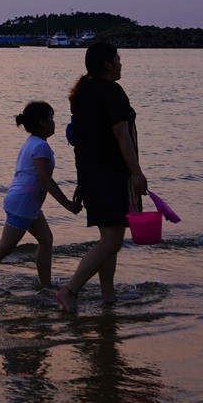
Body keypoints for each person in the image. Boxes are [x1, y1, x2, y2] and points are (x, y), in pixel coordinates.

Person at [56, 42, 147, 313]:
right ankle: (70, 290)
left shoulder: (83, 93)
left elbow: (81, 142)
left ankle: (108, 297)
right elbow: (122, 136)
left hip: (92, 174)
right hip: (111, 175)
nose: (121, 62)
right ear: (107, 64)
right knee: (113, 240)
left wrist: (82, 182)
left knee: (108, 240)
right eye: (118, 58)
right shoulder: (112, 92)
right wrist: (137, 173)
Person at [0, 101, 82, 293]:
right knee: (5, 247)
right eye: (51, 118)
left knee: (46, 240)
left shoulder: (33, 143)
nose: (54, 122)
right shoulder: (40, 146)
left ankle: (45, 285)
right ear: (42, 122)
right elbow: (44, 178)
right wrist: (67, 203)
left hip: (27, 202)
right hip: (24, 202)